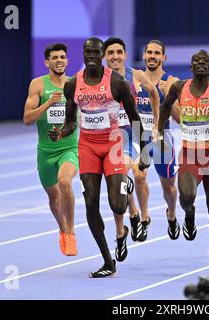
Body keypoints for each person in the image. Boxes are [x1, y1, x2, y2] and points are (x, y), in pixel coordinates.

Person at [49, 37, 149, 277]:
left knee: (117, 204)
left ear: (102, 54)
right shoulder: (73, 84)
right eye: (87, 53)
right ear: (83, 55)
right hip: (88, 147)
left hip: (113, 144)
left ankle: (126, 185)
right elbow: (71, 122)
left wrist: (144, 151)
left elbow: (135, 118)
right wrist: (61, 132)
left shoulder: (116, 82)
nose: (91, 56)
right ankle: (107, 261)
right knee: (91, 204)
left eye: (96, 52)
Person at [157, 50, 209, 276]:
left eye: (205, 61)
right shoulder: (179, 88)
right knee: (187, 197)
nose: (201, 63)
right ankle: (189, 214)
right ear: (191, 66)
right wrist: (159, 132)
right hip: (189, 154)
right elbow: (165, 107)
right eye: (196, 61)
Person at [102, 37, 161, 242]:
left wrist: (156, 123)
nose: (115, 56)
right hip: (112, 136)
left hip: (134, 132)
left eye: (119, 52)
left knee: (140, 176)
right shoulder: (98, 78)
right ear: (104, 56)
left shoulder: (135, 75)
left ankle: (144, 216)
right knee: (122, 178)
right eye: (110, 53)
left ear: (125, 55)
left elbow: (154, 94)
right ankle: (134, 213)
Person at [23, 43, 78, 256]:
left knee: (65, 183)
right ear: (47, 62)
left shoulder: (74, 85)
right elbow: (27, 119)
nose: (59, 60)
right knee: (54, 198)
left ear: (67, 60)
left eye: (62, 56)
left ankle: (72, 233)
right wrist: (48, 104)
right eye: (54, 57)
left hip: (69, 147)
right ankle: (63, 230)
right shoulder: (38, 85)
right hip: (46, 151)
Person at [131, 39, 181, 241]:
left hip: (162, 137)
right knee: (139, 175)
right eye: (149, 52)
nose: (152, 56)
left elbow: (179, 118)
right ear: (143, 56)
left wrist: (168, 97)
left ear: (163, 57)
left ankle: (171, 214)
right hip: (138, 134)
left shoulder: (171, 81)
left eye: (157, 53)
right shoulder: (133, 78)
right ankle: (144, 218)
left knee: (168, 188)